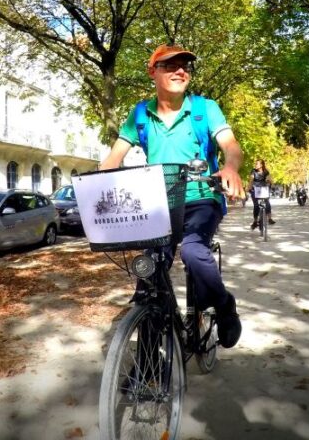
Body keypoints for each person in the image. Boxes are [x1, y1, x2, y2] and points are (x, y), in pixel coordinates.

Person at [99, 43, 246, 348]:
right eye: (170, 65)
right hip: (158, 204)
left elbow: (231, 147)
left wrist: (230, 168)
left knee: (193, 251)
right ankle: (147, 367)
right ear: (152, 71)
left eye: (186, 66)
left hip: (201, 198)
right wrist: (95, 188)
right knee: (150, 275)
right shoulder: (139, 114)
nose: (181, 70)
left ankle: (224, 304)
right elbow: (112, 160)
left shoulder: (205, 109)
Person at [247, 158, 275, 229]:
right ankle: (255, 221)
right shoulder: (253, 171)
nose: (255, 165)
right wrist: (249, 188)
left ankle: (269, 218)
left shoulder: (266, 172)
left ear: (261, 165)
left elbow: (270, 179)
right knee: (256, 205)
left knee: (267, 203)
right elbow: (251, 180)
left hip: (264, 190)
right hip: (255, 189)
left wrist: (272, 184)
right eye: (255, 163)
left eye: (257, 163)